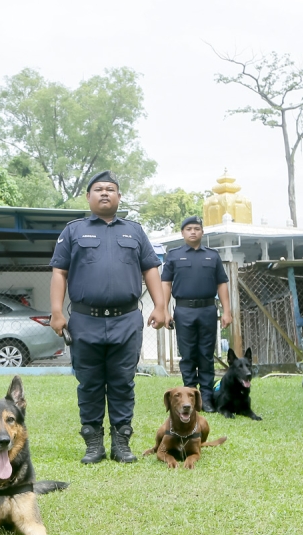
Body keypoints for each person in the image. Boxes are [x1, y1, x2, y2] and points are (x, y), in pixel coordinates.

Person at [49, 171, 168, 464]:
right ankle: (93, 444)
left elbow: (151, 269)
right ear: (89, 197)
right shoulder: (73, 231)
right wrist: (55, 312)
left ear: (119, 197)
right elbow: (59, 272)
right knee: (88, 383)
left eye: (111, 189)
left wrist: (160, 305)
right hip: (84, 321)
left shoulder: (135, 232)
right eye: (99, 189)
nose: (105, 193)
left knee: (122, 382)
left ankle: (121, 444)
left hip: (125, 321)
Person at [161, 216, 231, 413]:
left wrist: (227, 311)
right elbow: (165, 283)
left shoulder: (212, 256)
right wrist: (164, 310)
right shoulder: (173, 256)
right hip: (183, 311)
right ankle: (189, 397)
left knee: (206, 355)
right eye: (189, 229)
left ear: (202, 232)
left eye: (197, 228)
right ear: (182, 233)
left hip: (208, 309)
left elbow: (222, 283)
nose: (193, 232)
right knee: (188, 355)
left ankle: (206, 398)